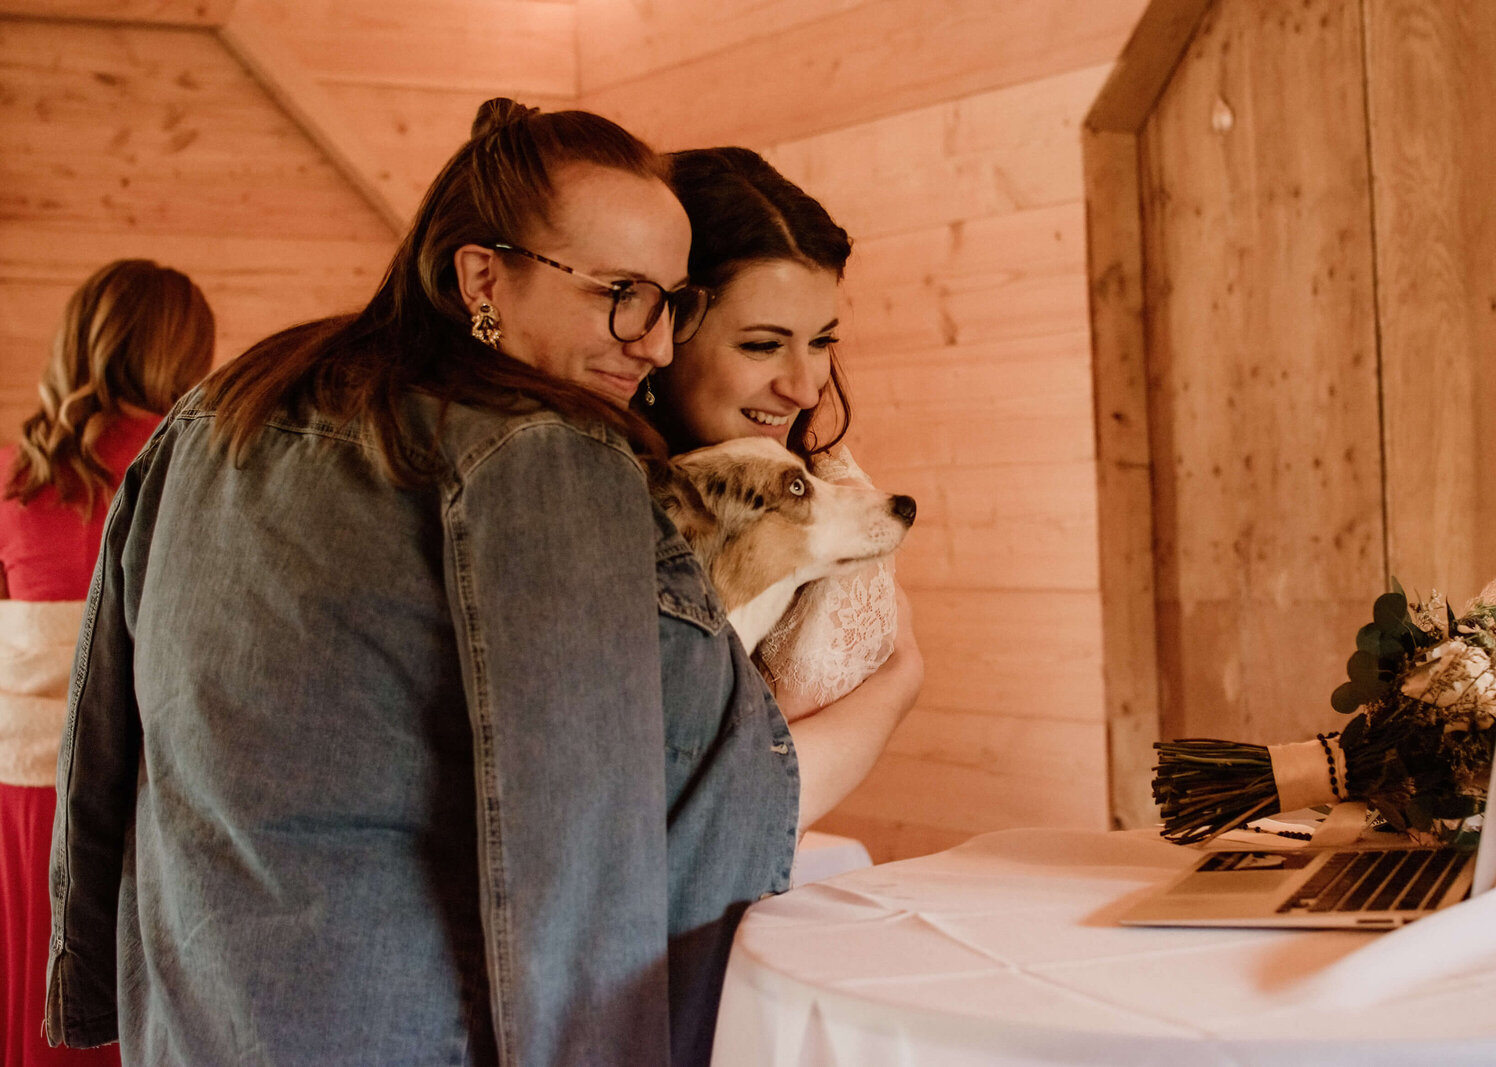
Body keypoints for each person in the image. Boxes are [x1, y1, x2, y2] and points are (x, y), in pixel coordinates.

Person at [47, 103, 797, 1067]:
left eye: (672, 301)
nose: (653, 342)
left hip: (200, 1014)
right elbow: (593, 857)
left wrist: (90, 977)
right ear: (483, 275)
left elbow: (104, 733)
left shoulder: (221, 406)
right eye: (621, 292)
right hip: (406, 1026)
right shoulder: (547, 458)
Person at [646, 147, 923, 833]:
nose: (804, 387)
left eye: (821, 341)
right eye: (763, 345)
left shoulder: (823, 478)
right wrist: (896, 686)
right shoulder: (605, 500)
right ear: (663, 331)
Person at [1, 258, 214, 1067]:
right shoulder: (189, 466)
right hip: (130, 789)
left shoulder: (14, 476)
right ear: (184, 350)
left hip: (18, 792)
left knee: (30, 990)